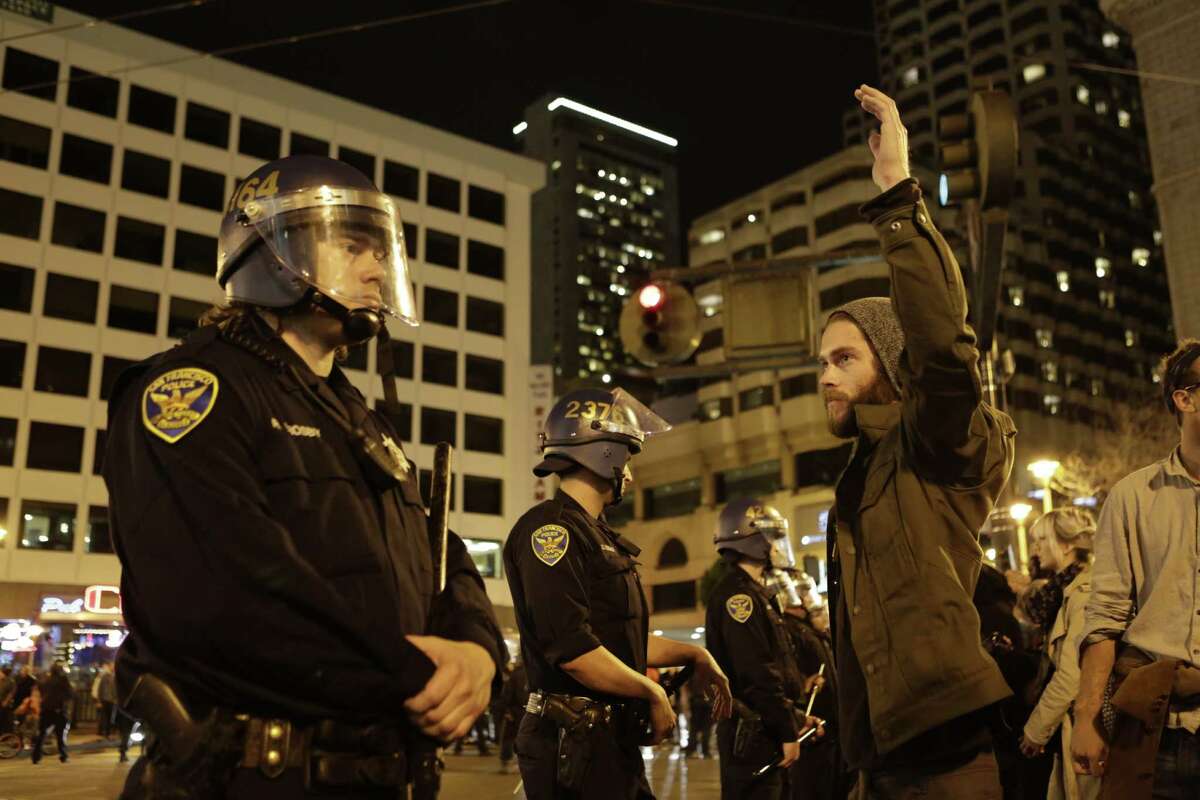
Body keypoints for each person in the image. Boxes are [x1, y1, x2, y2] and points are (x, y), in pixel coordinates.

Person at [104, 154, 506, 799]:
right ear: (273, 251)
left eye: (381, 250)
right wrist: (420, 677)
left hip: (378, 774)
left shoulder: (360, 420)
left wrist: (480, 653)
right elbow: (226, 591)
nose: (377, 268)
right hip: (247, 776)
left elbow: (442, 554)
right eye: (352, 246)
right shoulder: (194, 389)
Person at [823, 85, 1017, 800]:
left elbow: (942, 347)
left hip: (945, 760)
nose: (825, 377)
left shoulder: (930, 443)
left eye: (844, 358)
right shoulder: (861, 470)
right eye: (821, 362)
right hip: (880, 762)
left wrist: (898, 199)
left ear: (889, 362)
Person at [504, 387, 732, 800]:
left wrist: (694, 654)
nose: (629, 472)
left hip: (606, 743)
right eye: (626, 456)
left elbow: (617, 641)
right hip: (572, 747)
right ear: (604, 453)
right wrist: (651, 690)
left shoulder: (597, 534)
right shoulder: (552, 531)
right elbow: (573, 650)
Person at [1073, 339, 1200, 798]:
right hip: (1156, 729)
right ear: (1184, 399)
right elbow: (1103, 618)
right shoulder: (1132, 496)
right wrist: (1085, 717)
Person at [707, 498, 824, 800]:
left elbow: (777, 670)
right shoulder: (739, 598)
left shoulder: (757, 593)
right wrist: (787, 730)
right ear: (753, 539)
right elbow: (757, 673)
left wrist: (797, 718)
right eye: (772, 537)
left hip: (765, 732)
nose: (777, 546)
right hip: (753, 739)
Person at [1017, 509, 1099, 800]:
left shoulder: (1083, 594)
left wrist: (1035, 731)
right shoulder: (1060, 593)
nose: (1035, 548)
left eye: (1041, 539)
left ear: (1066, 545)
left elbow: (1071, 672)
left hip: (1087, 726)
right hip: (1070, 724)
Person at [775, 570, 844, 800]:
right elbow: (783, 673)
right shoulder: (786, 629)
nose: (808, 596)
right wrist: (804, 683)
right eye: (802, 591)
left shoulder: (813, 630)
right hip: (811, 733)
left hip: (831, 732)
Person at [32, 661, 71, 764]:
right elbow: (69, 693)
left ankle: (36, 757)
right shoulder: (63, 680)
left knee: (42, 734)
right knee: (60, 734)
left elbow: (41, 690)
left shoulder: (45, 680)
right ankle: (63, 755)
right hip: (58, 709)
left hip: (46, 709)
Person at [496, 659, 528, 774]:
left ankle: (506, 761)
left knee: (509, 737)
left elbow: (507, 693)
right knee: (526, 737)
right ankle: (524, 763)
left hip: (515, 711)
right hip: (530, 710)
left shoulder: (516, 674)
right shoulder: (536, 672)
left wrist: (506, 710)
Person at [683, 670, 714, 759]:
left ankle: (691, 751)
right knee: (706, 728)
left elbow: (688, 688)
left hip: (696, 702)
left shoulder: (693, 672)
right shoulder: (710, 672)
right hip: (707, 703)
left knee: (694, 728)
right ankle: (705, 752)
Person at [93, 661, 117, 738]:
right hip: (108, 699)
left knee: (107, 717)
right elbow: (101, 689)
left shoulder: (109, 676)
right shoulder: (108, 676)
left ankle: (107, 732)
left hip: (108, 699)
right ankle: (107, 732)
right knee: (107, 717)